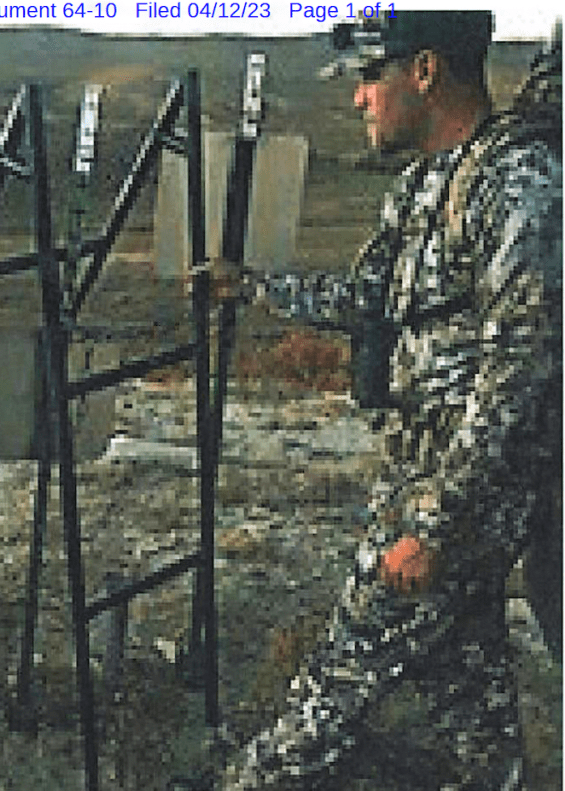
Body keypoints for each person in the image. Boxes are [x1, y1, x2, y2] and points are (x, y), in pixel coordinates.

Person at [214, 12, 563, 790]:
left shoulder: (518, 184)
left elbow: (520, 366)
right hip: (424, 472)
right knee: (465, 689)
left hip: (465, 493)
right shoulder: (423, 186)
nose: (358, 100)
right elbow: (366, 297)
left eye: (372, 77)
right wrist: (254, 287)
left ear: (427, 72)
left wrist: (436, 524)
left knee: (338, 679)